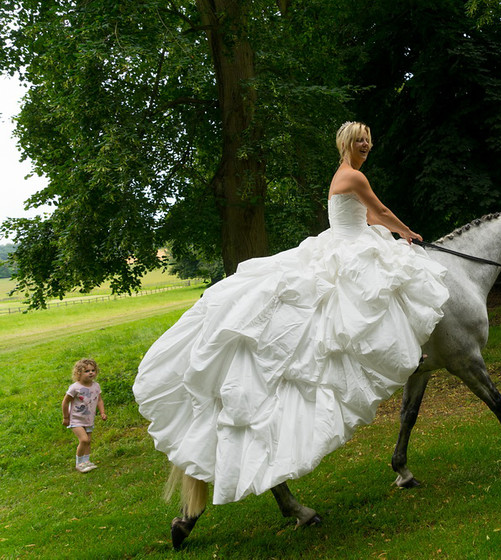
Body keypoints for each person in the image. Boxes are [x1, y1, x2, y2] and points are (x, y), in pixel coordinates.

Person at [134, 121, 449, 507]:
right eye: (359, 139)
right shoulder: (352, 177)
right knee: (373, 292)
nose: (366, 143)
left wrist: (386, 232)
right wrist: (407, 232)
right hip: (347, 247)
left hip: (347, 240)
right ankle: (399, 354)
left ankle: (403, 351)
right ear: (345, 143)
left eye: (369, 138)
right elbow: (379, 211)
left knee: (379, 289)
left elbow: (365, 219)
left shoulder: (344, 175)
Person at [62, 358, 107, 473]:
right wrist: (66, 417)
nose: (91, 372)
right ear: (79, 373)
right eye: (87, 371)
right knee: (84, 440)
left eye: (93, 370)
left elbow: (99, 400)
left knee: (89, 441)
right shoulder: (75, 388)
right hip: (75, 419)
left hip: (89, 419)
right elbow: (65, 402)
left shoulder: (96, 386)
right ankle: (79, 463)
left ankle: (86, 461)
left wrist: (102, 412)